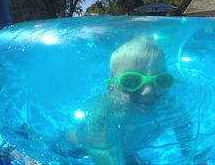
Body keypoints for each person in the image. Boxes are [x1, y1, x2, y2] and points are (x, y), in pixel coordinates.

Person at [64, 36, 199, 165]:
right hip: (79, 145)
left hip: (127, 151)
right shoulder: (105, 113)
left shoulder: (169, 105)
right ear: (111, 87)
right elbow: (102, 151)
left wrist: (191, 153)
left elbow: (184, 130)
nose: (149, 91)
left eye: (161, 80)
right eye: (131, 81)